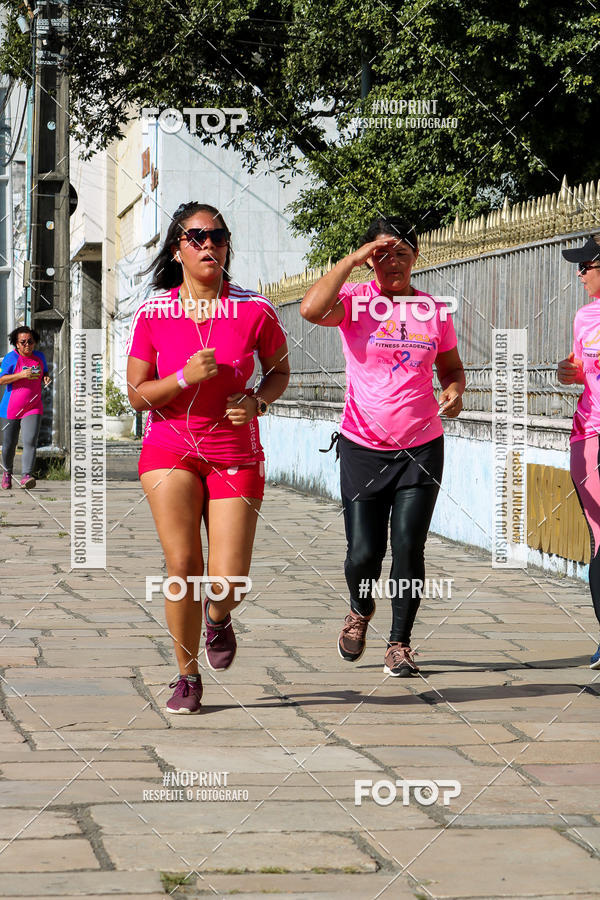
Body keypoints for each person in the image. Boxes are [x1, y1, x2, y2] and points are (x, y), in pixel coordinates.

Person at [126, 202, 289, 713]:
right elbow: (136, 395)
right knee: (183, 564)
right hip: (170, 447)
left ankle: (219, 617)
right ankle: (186, 675)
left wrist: (257, 401)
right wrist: (182, 380)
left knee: (228, 578)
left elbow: (281, 372)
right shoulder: (155, 313)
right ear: (177, 250)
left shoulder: (254, 309)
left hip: (234, 452)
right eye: (196, 237)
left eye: (217, 236)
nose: (208, 245)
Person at [300, 216, 465, 676]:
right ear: (370, 258)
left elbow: (451, 368)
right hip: (362, 446)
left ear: (415, 257)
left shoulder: (433, 310)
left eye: (402, 253)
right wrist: (353, 259)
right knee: (363, 553)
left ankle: (400, 643)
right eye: (382, 254)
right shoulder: (354, 302)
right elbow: (311, 310)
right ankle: (359, 607)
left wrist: (454, 390)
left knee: (409, 546)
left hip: (421, 446)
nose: (393, 262)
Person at [558, 233, 600, 668]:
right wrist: (566, 373)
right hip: (589, 435)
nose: (580, 273)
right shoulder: (584, 317)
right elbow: (578, 369)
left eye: (586, 265)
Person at [0, 326, 50, 490]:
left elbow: (44, 372)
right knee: (9, 445)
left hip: (33, 406)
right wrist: (21, 375)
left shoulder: (39, 357)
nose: (27, 345)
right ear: (16, 344)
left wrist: (46, 378)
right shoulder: (10, 358)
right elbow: (1, 379)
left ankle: (26, 476)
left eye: (30, 341)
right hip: (11, 408)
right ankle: (7, 472)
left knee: (30, 441)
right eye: (23, 342)